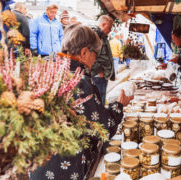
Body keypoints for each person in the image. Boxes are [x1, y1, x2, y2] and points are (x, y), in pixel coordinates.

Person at [29, 23, 133, 180]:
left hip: (38, 163)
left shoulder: (45, 70)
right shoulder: (79, 80)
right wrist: (119, 105)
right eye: (95, 54)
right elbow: (102, 128)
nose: (96, 59)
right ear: (84, 52)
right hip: (63, 167)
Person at [90, 15, 114, 105]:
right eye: (109, 27)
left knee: (101, 99)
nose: (110, 30)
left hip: (101, 75)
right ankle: (99, 118)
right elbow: (91, 55)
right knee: (99, 100)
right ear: (103, 24)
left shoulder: (101, 35)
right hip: (98, 75)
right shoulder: (95, 35)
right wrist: (98, 70)